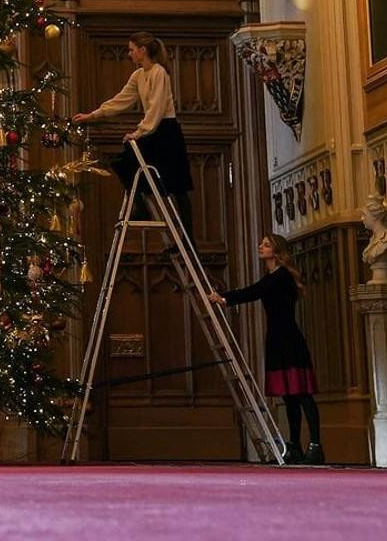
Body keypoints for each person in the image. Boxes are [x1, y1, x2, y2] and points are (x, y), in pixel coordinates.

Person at [209, 234, 323, 464]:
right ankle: (294, 445)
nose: (260, 246)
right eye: (261, 243)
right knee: (289, 396)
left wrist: (223, 298)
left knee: (301, 394)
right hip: (277, 339)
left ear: (277, 251)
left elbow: (254, 291)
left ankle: (316, 445)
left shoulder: (281, 276)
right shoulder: (272, 276)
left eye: (266, 244)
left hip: (289, 339)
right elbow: (258, 289)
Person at [73, 31, 194, 246]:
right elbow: (121, 100)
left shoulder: (159, 73)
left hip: (165, 131)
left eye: (131, 50)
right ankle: (143, 206)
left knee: (177, 186)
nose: (129, 54)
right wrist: (93, 115)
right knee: (124, 163)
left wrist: (139, 133)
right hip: (152, 130)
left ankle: (187, 240)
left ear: (142, 50)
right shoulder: (138, 76)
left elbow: (156, 109)